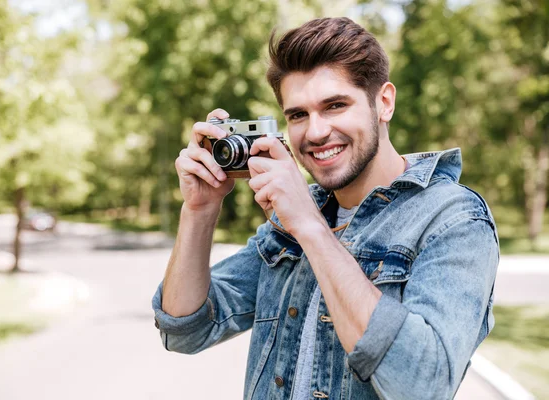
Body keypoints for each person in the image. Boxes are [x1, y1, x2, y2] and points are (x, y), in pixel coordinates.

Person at [152, 17, 499, 400]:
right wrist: (199, 211)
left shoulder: (453, 218)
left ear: (383, 103)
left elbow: (421, 385)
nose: (315, 132)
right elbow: (185, 329)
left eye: (335, 106)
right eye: (298, 115)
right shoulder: (292, 221)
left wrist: (311, 228)